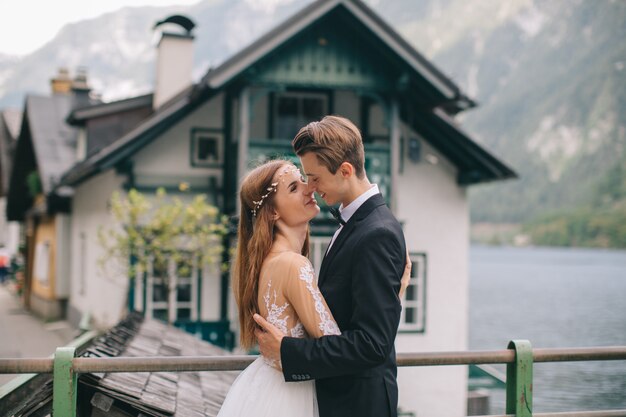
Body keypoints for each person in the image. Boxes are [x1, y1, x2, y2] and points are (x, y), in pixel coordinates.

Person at [218, 159, 410, 417]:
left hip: (270, 388)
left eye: (306, 180)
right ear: (273, 212)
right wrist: (393, 297)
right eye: (295, 188)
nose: (309, 188)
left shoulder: (269, 261)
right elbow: (335, 343)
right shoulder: (292, 264)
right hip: (293, 398)